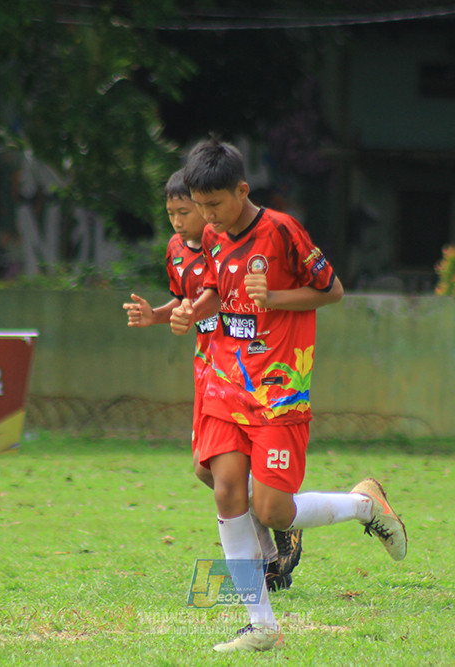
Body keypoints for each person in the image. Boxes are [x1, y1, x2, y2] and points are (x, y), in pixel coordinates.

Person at [169, 138, 408, 653]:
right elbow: (215, 290)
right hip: (228, 383)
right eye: (201, 206)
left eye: (215, 204)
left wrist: (274, 297)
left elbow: (332, 290)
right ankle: (262, 626)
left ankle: (364, 505)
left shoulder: (281, 230)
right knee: (224, 490)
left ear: (242, 190)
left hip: (279, 390)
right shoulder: (211, 235)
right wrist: (192, 311)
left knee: (275, 510)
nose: (208, 216)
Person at [122, 169, 304, 592]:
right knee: (207, 472)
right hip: (206, 368)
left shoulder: (224, 243)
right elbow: (186, 301)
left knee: (230, 476)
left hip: (238, 367)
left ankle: (273, 541)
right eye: (172, 213)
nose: (179, 221)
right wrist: (157, 316)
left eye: (187, 211)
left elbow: (224, 298)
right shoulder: (175, 250)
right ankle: (274, 537)